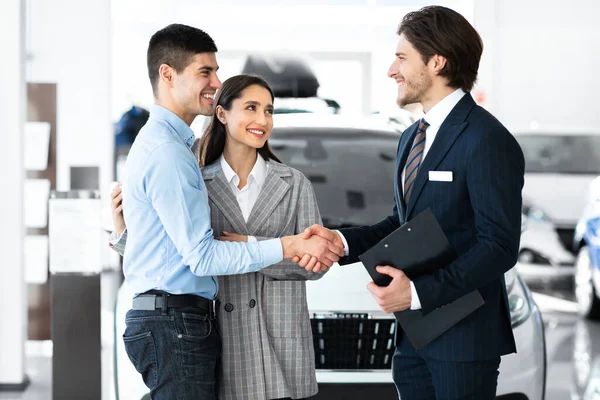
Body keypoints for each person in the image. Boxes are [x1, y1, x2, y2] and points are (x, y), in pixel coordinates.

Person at [298, 6, 525, 399]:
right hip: (414, 339)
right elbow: (402, 223)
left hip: (463, 342)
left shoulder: (487, 140)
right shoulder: (411, 138)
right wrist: (342, 243)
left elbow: (499, 246)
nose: (392, 70)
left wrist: (418, 292)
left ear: (437, 62)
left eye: (402, 57)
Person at [117, 24, 341, 400]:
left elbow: (168, 249)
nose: (216, 81)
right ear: (168, 75)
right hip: (192, 326)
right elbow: (199, 256)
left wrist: (126, 231)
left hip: (255, 338)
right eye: (206, 72)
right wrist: (283, 246)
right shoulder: (176, 159)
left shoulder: (292, 181)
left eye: (269, 110)